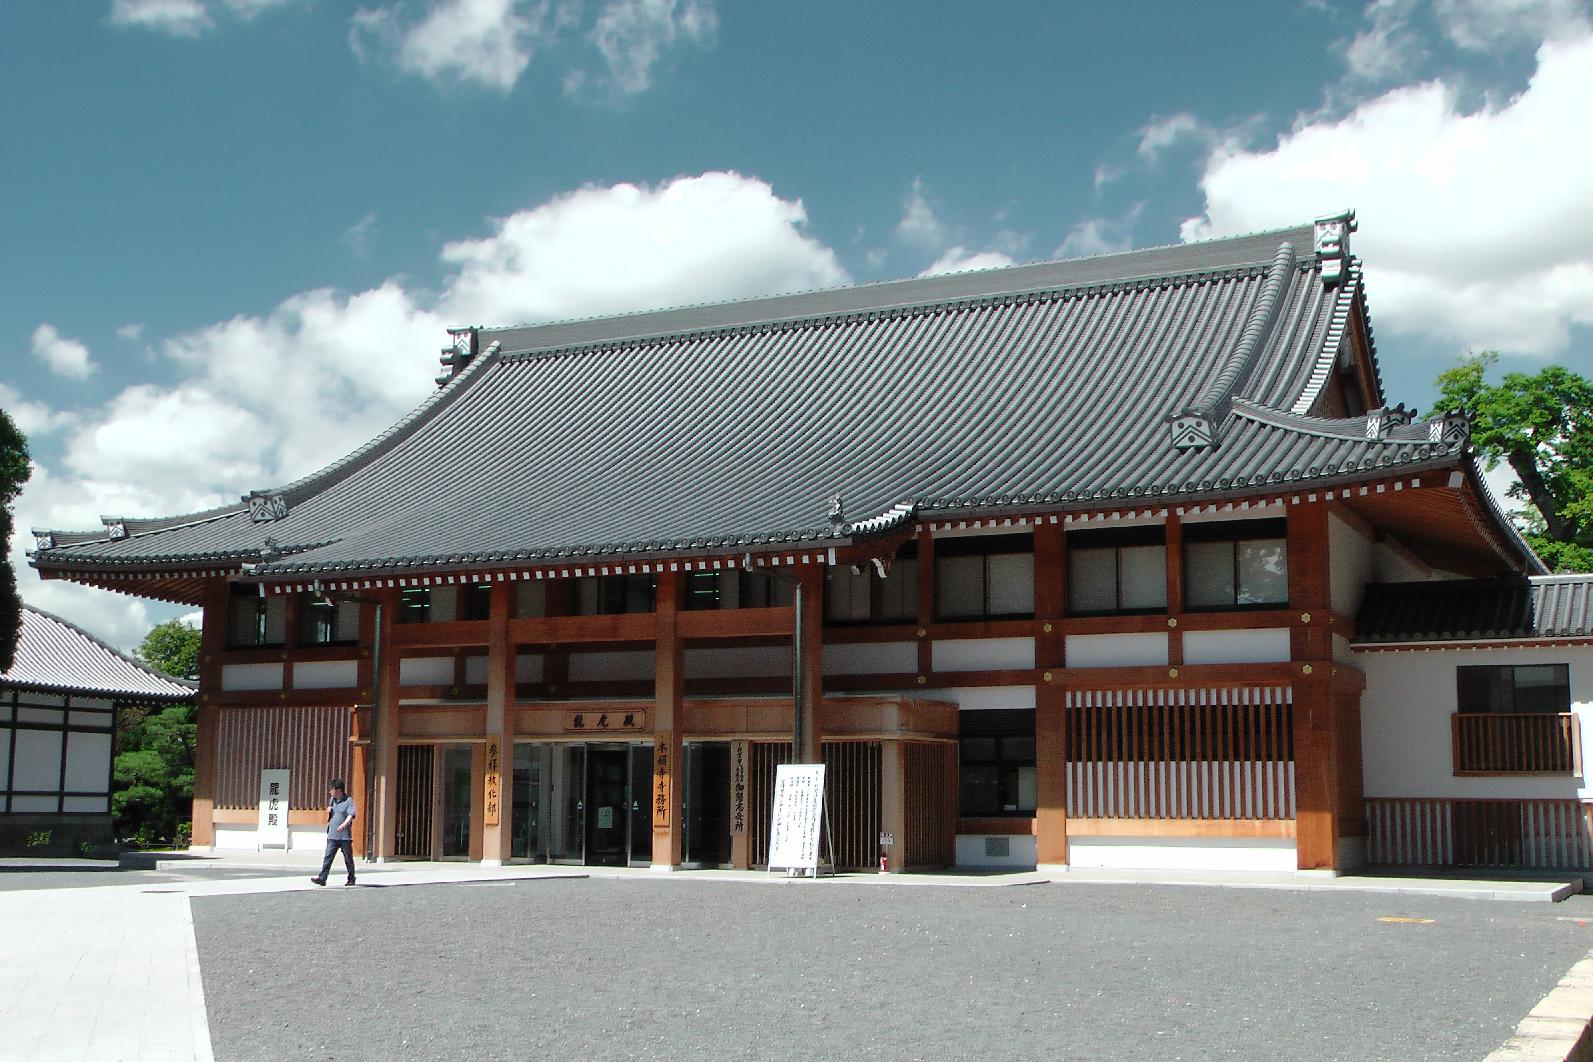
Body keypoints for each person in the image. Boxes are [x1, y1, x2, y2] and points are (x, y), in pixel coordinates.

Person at [311, 778, 357, 887]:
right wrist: (329, 809)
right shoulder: (332, 800)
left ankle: (351, 878)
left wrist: (343, 825)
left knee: (348, 858)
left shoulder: (348, 801)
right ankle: (322, 878)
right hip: (332, 834)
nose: (330, 792)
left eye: (332, 790)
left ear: (339, 790)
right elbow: (330, 809)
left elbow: (351, 815)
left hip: (345, 836)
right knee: (328, 857)